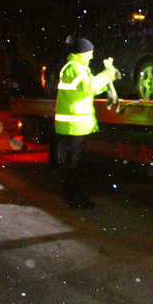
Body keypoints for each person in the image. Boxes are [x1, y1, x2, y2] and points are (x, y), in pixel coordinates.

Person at [54, 37, 118, 208]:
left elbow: (88, 88)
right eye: (90, 52)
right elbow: (88, 86)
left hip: (74, 125)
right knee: (73, 164)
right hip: (73, 126)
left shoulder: (78, 67)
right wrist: (106, 76)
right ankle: (74, 198)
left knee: (74, 163)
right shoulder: (75, 68)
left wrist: (106, 84)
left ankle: (73, 196)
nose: (92, 56)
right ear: (82, 52)